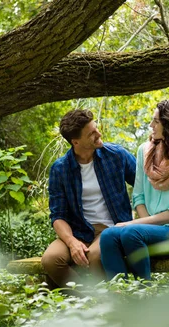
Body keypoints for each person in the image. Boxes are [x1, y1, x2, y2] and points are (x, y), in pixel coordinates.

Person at [100, 99, 169, 281]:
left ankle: (144, 295)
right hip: (144, 231)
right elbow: (139, 197)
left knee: (130, 233)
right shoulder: (145, 152)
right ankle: (120, 296)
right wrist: (143, 225)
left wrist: (135, 225)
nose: (151, 125)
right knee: (108, 236)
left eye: (156, 121)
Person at [42, 109, 136, 289]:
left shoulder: (116, 155)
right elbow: (58, 215)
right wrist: (72, 242)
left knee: (95, 256)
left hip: (110, 229)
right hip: (77, 231)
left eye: (96, 128)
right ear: (75, 142)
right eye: (92, 133)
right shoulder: (60, 169)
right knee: (51, 259)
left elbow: (145, 186)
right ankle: (88, 301)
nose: (98, 134)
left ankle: (105, 304)